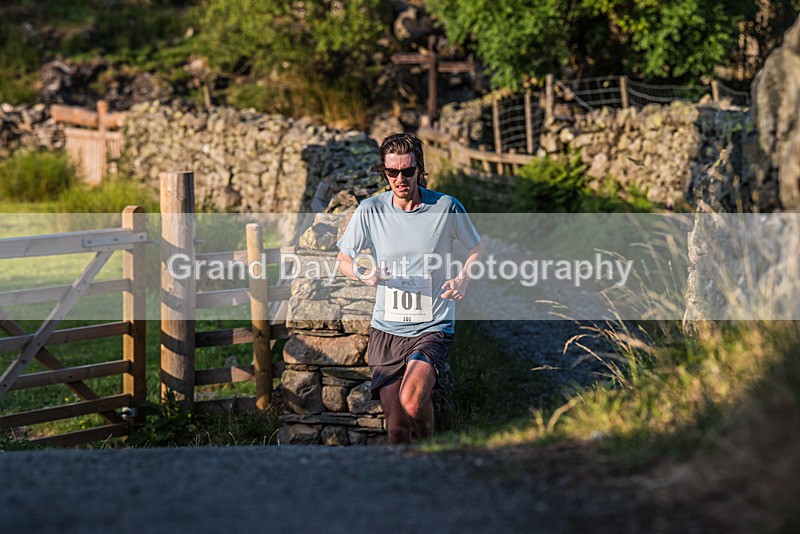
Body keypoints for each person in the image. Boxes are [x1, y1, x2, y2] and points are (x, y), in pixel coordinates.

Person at [336, 132, 484, 444]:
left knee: (413, 402)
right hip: (386, 329)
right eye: (392, 172)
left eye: (407, 171)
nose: (400, 179)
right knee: (397, 430)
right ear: (383, 172)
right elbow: (343, 260)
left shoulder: (446, 206)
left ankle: (431, 447)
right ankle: (404, 482)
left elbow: (477, 249)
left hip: (432, 325)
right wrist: (364, 274)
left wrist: (463, 278)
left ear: (419, 169)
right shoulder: (370, 210)